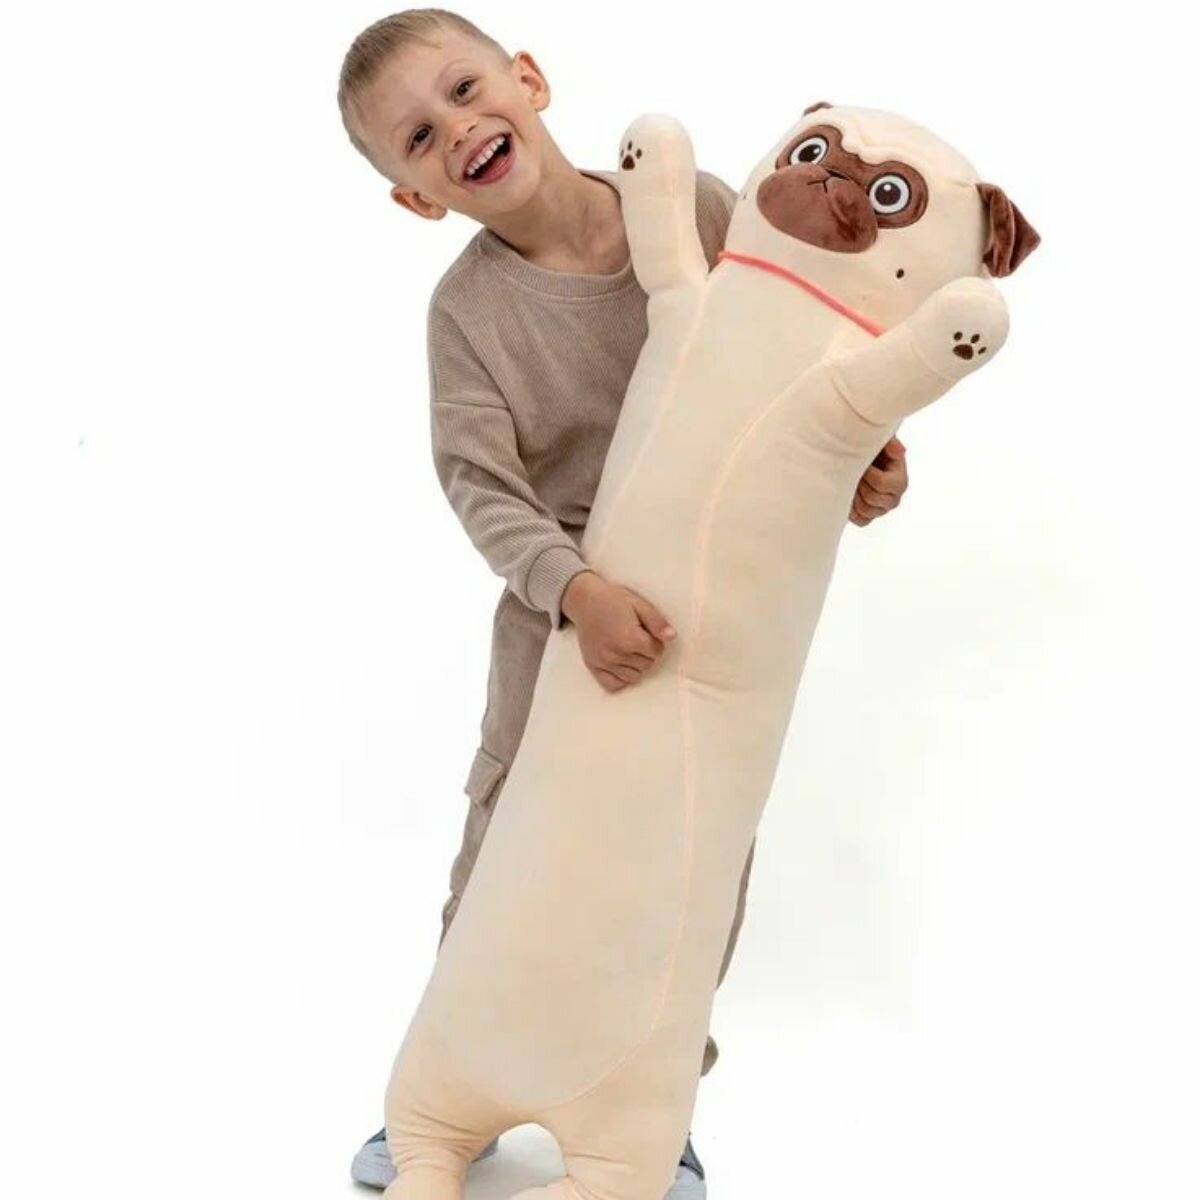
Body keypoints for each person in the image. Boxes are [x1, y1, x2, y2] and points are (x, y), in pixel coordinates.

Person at [336, 10, 909, 1196]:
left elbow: (796, 362)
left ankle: (654, 1107)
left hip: (717, 620)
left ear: (529, 78)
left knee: (690, 871)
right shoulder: (469, 318)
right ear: (413, 197)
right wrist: (578, 591)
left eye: (464, 90)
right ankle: (448, 1095)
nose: (457, 129)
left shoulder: (696, 207)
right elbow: (482, 489)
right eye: (418, 138)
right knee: (502, 859)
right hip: (563, 632)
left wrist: (862, 461)